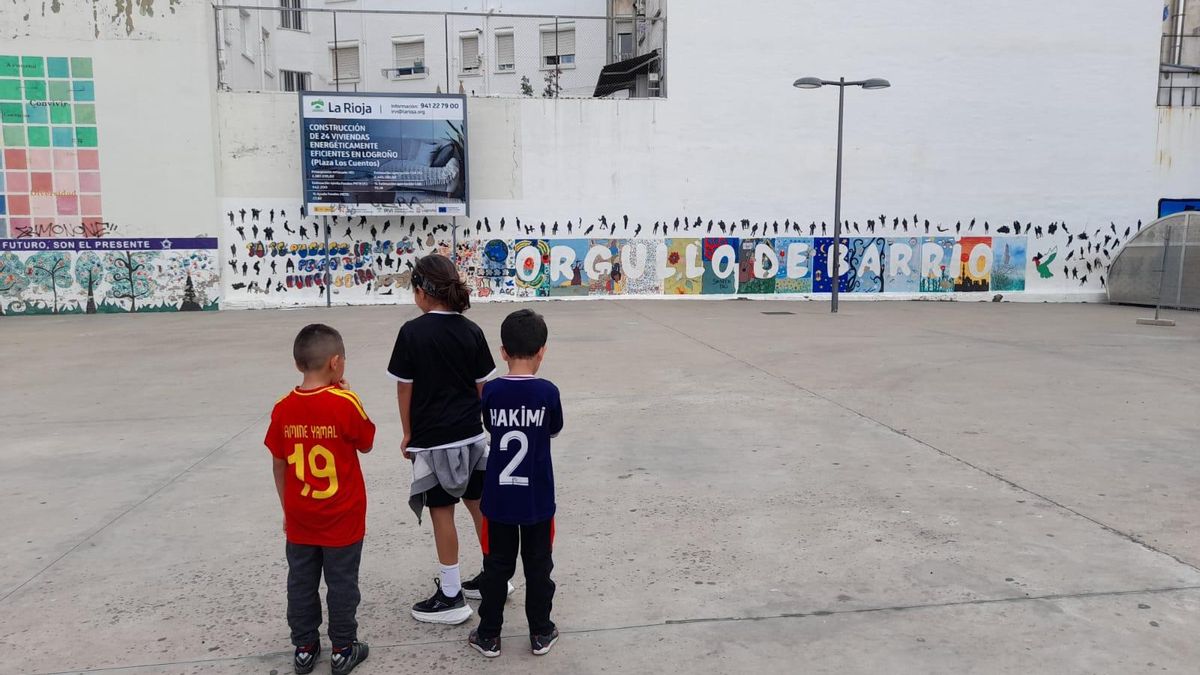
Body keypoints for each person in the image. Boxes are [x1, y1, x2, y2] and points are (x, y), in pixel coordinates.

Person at [387, 253, 503, 625]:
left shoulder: (411, 333)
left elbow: (405, 390)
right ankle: (495, 575)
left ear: (422, 292)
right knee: (479, 506)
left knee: (442, 514)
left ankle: (452, 595)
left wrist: (407, 432)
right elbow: (484, 388)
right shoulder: (471, 331)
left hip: (433, 441)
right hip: (471, 438)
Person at [266, 324, 376, 675]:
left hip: (300, 517)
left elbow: (278, 464)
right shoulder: (344, 403)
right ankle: (343, 647)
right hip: (342, 517)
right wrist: (352, 395)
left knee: (300, 582)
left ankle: (304, 647)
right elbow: (367, 440)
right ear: (335, 363)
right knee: (342, 585)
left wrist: (288, 508)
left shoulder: (283, 408)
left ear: (299, 364)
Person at [469, 309, 563, 658]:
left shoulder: (491, 392)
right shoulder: (547, 393)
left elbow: (492, 427)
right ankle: (540, 631)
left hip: (499, 500)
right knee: (539, 567)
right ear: (542, 351)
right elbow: (553, 429)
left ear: (503, 351)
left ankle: (489, 634)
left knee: (496, 567)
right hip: (537, 499)